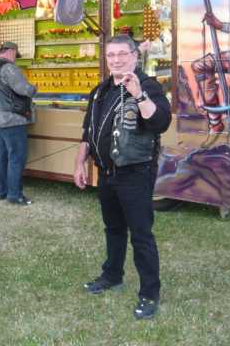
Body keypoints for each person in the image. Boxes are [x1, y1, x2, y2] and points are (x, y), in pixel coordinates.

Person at [73, 34, 171, 320]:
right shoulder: (100, 90)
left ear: (134, 56)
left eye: (122, 54)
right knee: (113, 228)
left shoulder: (148, 85)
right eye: (111, 55)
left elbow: (160, 122)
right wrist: (80, 163)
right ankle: (112, 275)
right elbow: (88, 132)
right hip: (107, 173)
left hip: (135, 173)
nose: (115, 60)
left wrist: (138, 94)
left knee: (141, 234)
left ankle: (149, 293)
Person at [0, 41, 36, 205]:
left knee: (1, 157)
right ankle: (14, 195)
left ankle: (1, 192)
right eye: (15, 54)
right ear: (11, 51)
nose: (15, 57)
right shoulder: (9, 68)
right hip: (12, 118)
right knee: (16, 157)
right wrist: (33, 88)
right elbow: (24, 89)